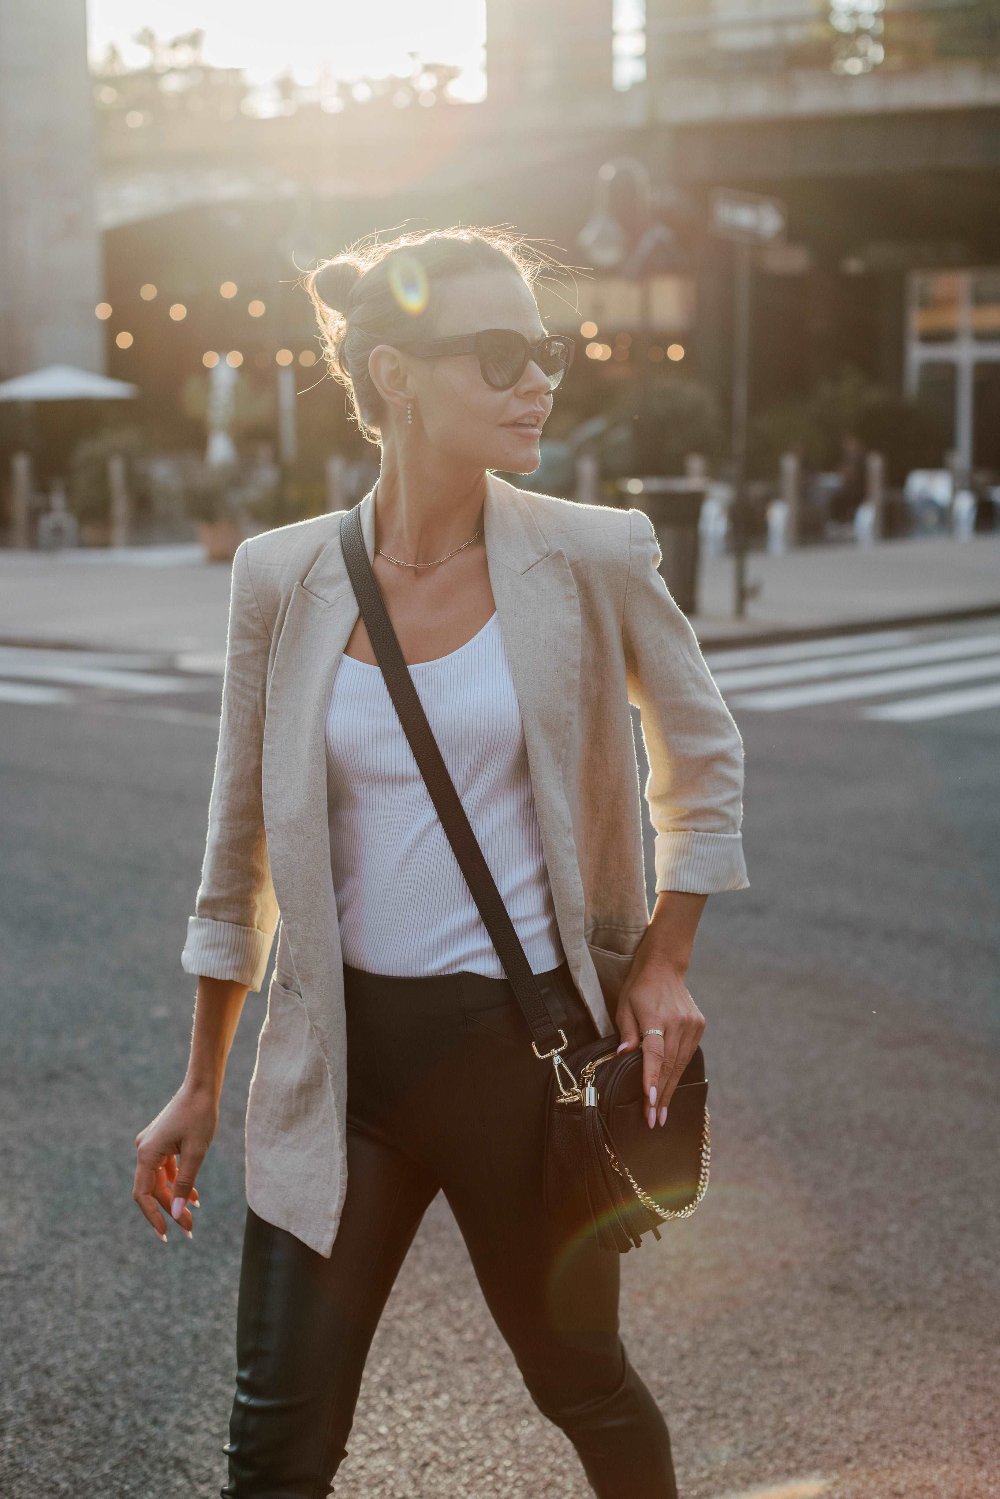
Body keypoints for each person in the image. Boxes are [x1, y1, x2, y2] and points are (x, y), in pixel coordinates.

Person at [132, 226, 750, 1497]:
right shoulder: (282, 576)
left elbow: (705, 756)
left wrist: (667, 960)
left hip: (515, 1068)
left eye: (547, 352)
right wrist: (201, 1080)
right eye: (501, 353)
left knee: (583, 1389)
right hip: (337, 1068)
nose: (541, 380)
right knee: (274, 1445)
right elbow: (234, 843)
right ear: (392, 375)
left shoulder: (592, 553)